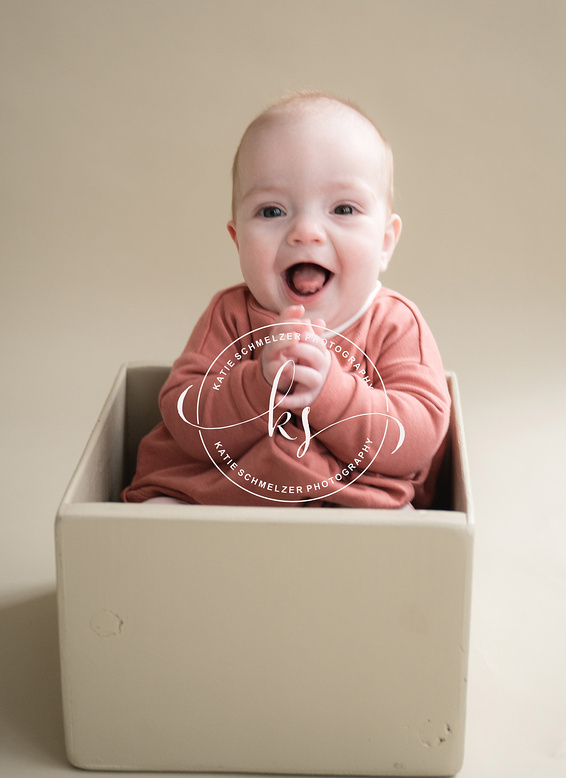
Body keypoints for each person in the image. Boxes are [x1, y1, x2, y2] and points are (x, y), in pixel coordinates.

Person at [122, 91, 451, 508]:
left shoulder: (394, 324)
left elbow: (418, 436)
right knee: (155, 519)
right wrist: (257, 386)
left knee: (401, 535)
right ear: (238, 240)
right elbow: (183, 414)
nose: (305, 231)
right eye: (273, 211)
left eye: (344, 209)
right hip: (213, 499)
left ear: (385, 242)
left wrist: (332, 392)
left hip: (349, 502)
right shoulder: (229, 315)